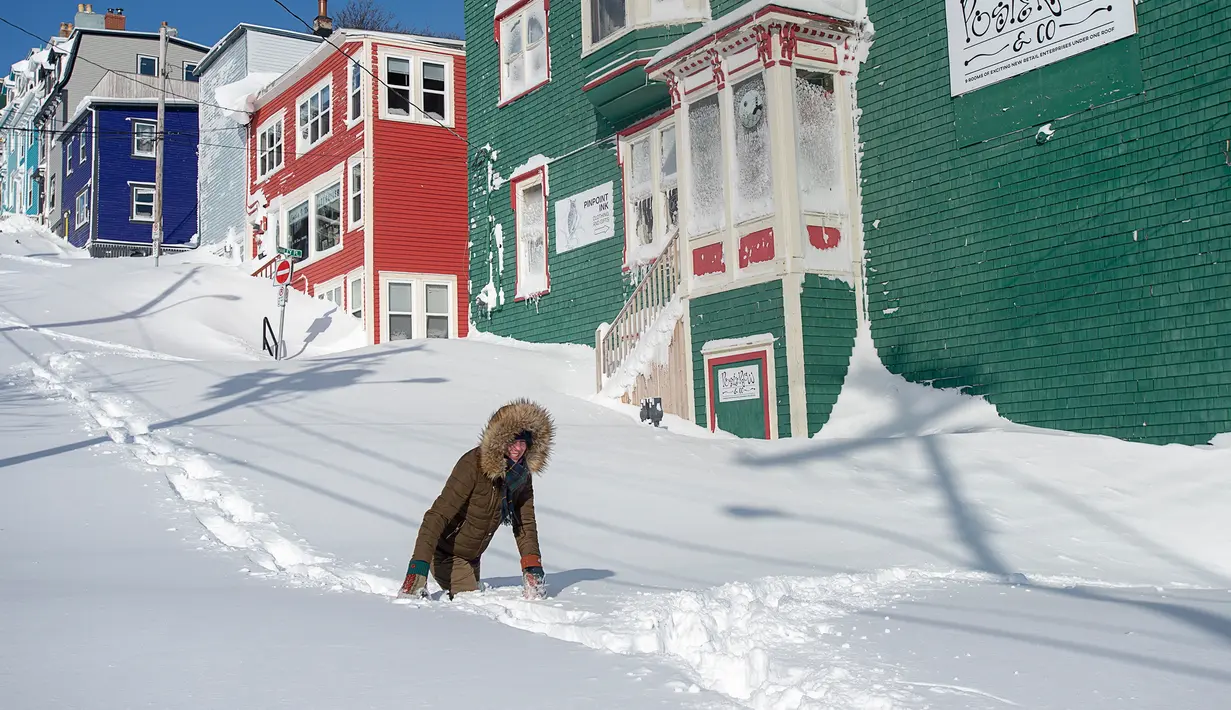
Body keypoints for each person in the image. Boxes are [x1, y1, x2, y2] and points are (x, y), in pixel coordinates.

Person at [398, 399, 554, 600]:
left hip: (472, 557)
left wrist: (532, 567)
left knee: (476, 598)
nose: (518, 448)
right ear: (499, 441)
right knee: (471, 604)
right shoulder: (472, 465)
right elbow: (436, 516)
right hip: (446, 553)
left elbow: (524, 523)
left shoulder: (520, 475)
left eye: (523, 442)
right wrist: (417, 570)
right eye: (512, 441)